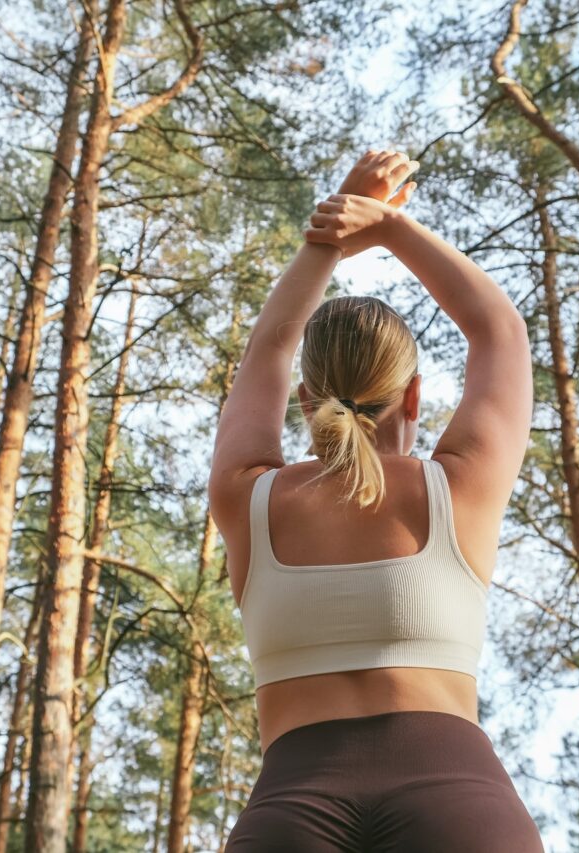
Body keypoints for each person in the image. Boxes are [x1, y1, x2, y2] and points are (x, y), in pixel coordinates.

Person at [209, 150, 542, 852]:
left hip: (290, 817)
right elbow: (499, 331)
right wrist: (388, 225)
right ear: (414, 395)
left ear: (305, 401)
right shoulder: (459, 486)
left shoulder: (250, 497)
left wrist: (323, 239)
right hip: (462, 810)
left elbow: (268, 348)